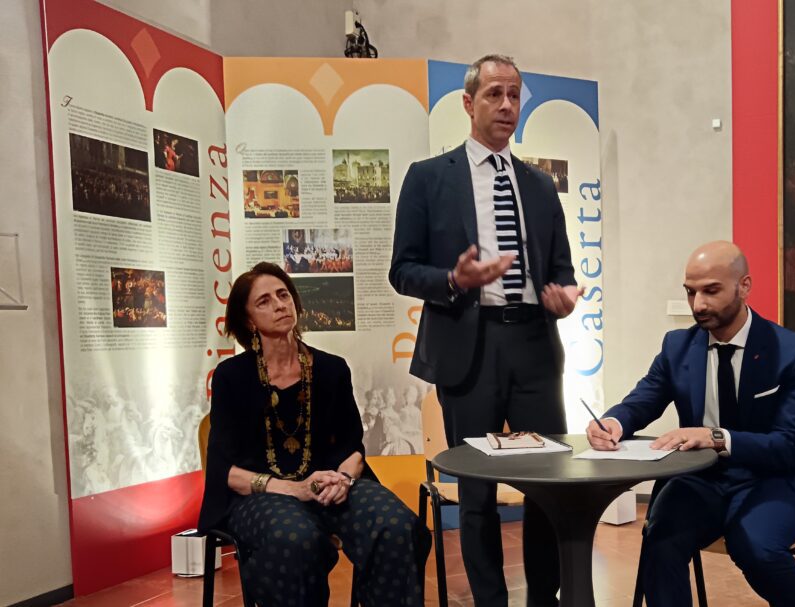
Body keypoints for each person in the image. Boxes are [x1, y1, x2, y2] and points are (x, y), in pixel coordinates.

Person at [389, 54, 579, 607]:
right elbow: (402, 270)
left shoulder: (540, 185)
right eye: (495, 94)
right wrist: (454, 279)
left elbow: (562, 269)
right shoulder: (429, 178)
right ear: (468, 103)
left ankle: (544, 598)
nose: (506, 105)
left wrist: (563, 298)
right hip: (467, 347)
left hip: (534, 345)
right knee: (477, 492)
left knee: (547, 485)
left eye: (515, 94)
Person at [586, 241, 795, 607]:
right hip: (704, 478)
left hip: (776, 477)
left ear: (744, 286)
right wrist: (614, 422)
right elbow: (644, 399)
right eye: (690, 292)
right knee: (660, 541)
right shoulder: (678, 347)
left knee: (754, 545)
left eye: (711, 291)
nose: (698, 304)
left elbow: (790, 445)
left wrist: (715, 437)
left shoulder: (792, 351)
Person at [198, 262, 429, 607]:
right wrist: (294, 488)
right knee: (295, 540)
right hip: (262, 494)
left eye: (283, 295)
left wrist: (343, 480)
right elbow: (225, 471)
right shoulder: (231, 377)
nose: (279, 305)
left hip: (331, 485)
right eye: (264, 301)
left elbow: (352, 447)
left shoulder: (331, 369)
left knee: (396, 527)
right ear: (248, 321)